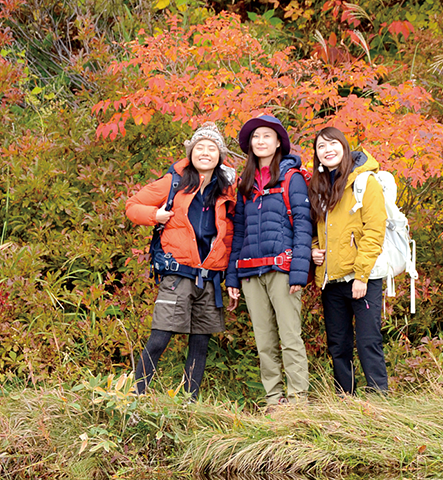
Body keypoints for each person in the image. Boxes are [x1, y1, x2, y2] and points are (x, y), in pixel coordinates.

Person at [125, 122, 237, 401]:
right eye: (200, 147)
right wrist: (156, 216)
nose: (206, 153)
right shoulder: (173, 182)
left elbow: (231, 234)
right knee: (160, 338)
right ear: (191, 152)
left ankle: (189, 402)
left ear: (219, 157)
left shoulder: (226, 190)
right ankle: (136, 396)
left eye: (212, 149)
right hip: (177, 275)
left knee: (200, 343)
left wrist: (231, 276)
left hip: (210, 278)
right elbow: (133, 206)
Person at [224, 114, 314, 407]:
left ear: (278, 143)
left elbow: (303, 226)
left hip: (283, 269)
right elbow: (239, 232)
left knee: (290, 337)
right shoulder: (245, 183)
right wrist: (232, 277)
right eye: (255, 137)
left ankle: (298, 400)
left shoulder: (292, 178)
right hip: (250, 272)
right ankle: (274, 401)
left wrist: (300, 272)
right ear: (250, 144)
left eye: (266, 136)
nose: (260, 141)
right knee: (264, 342)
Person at [307, 126, 390, 396]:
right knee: (338, 344)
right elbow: (320, 230)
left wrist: (361, 276)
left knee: (368, 341)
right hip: (331, 280)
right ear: (317, 154)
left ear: (344, 147)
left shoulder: (366, 182)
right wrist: (314, 249)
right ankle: (346, 401)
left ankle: (378, 398)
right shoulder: (319, 187)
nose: (327, 150)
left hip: (363, 279)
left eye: (333, 144)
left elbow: (374, 231)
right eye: (321, 146)